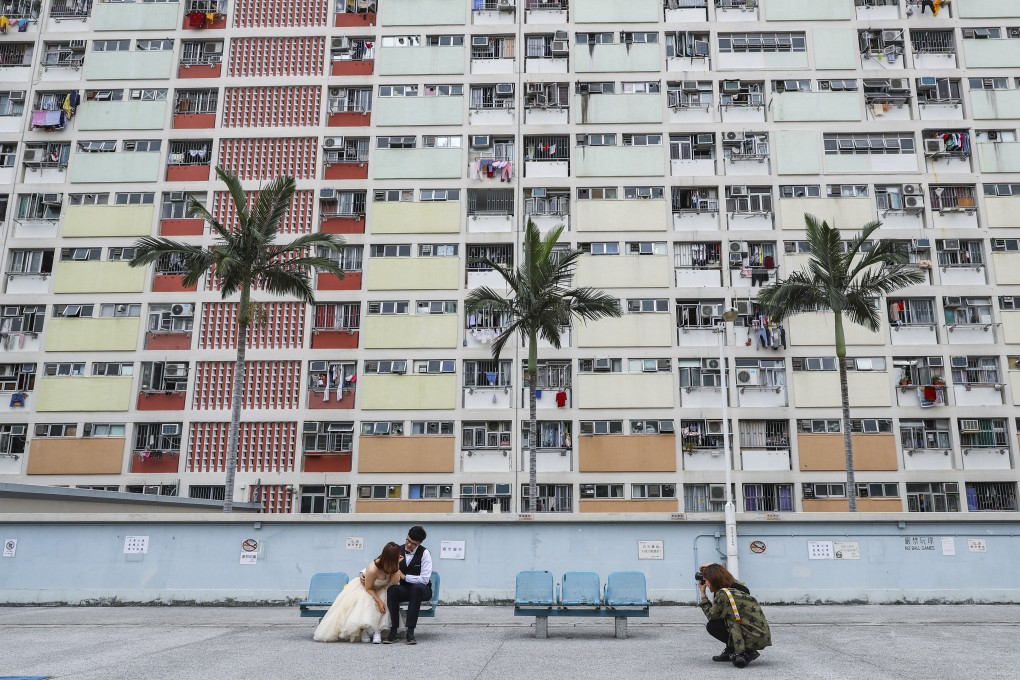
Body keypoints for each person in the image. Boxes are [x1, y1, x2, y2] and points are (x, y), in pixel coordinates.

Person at [312, 542, 402, 644]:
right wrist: (379, 602)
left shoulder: (393, 566)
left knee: (386, 597)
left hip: (383, 588)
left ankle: (378, 630)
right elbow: (368, 588)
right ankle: (365, 630)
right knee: (368, 600)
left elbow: (394, 582)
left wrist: (397, 566)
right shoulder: (373, 568)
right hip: (367, 589)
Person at [697, 563, 772, 668]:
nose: (706, 583)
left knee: (713, 626)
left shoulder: (723, 594)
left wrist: (703, 594)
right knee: (730, 619)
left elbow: (711, 615)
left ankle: (746, 650)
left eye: (706, 580)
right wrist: (714, 566)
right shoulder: (738, 589)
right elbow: (730, 579)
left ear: (713, 580)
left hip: (753, 637)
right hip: (760, 634)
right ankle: (732, 650)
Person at [382, 525, 433, 645]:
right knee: (393, 590)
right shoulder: (397, 550)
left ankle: (410, 631)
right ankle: (393, 630)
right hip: (405, 589)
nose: (409, 545)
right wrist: (364, 573)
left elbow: (425, 579)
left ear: (419, 543)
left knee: (416, 589)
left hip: (423, 590)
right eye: (408, 540)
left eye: (413, 544)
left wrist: (404, 577)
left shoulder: (425, 553)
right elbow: (380, 562)